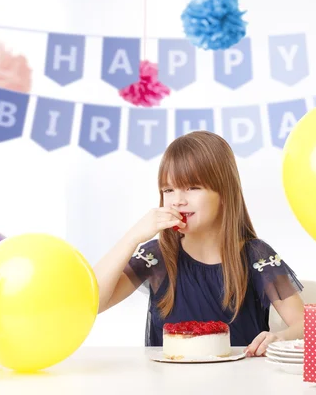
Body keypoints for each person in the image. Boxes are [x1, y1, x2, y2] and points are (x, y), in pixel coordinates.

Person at [93, 131, 304, 357]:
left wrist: (280, 337)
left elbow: (305, 326)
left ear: (224, 192)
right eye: (168, 190)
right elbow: (92, 303)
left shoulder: (255, 255)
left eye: (192, 187)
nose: (178, 200)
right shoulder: (156, 257)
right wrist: (132, 237)